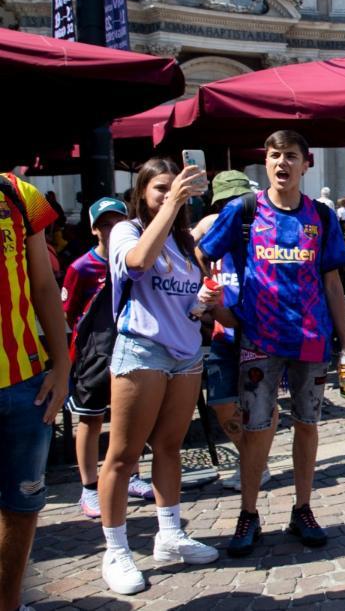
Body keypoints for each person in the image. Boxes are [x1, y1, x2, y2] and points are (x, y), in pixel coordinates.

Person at [199, 131, 345, 559]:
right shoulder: (244, 210)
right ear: (265, 162)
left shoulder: (321, 217)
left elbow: (333, 282)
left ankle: (302, 508)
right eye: (273, 155)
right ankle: (248, 513)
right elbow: (203, 251)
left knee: (307, 424)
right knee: (255, 429)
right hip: (260, 339)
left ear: (307, 164)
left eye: (290, 156)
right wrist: (223, 306)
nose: (281, 163)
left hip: (311, 340)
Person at [99, 158, 220, 595]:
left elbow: (191, 298)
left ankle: (169, 535)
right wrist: (171, 206)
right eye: (161, 189)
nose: (170, 195)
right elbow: (136, 263)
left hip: (185, 354)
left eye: (176, 188)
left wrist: (206, 299)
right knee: (123, 454)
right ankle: (115, 550)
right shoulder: (126, 230)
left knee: (169, 447)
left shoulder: (186, 242)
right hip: (142, 349)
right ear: (143, 192)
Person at [0, 172, 69, 611]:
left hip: (25, 383)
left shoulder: (19, 193)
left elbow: (43, 284)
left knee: (22, 507)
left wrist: (62, 365)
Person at [63, 198, 157, 518]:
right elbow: (69, 310)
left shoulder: (135, 258)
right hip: (93, 353)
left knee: (126, 417)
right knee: (90, 419)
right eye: (104, 223)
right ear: (93, 229)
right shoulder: (81, 268)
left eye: (117, 221)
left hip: (128, 346)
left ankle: (130, 474)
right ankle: (89, 486)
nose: (111, 228)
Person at [189, 171, 273, 494]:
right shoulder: (212, 233)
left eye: (238, 202)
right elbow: (192, 251)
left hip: (258, 326)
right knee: (223, 400)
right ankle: (253, 458)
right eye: (225, 204)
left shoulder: (262, 227)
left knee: (262, 401)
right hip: (224, 329)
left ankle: (255, 464)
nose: (232, 210)